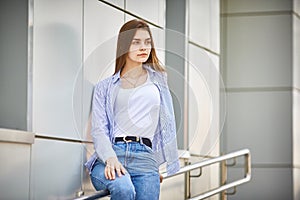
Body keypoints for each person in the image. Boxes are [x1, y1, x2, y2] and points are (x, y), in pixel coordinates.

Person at [85, 19, 180, 200]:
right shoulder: (104, 87)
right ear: (124, 45)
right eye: (136, 42)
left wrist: (155, 166)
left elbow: (165, 124)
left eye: (147, 42)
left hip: (145, 158)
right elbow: (99, 130)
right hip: (112, 154)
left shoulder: (159, 81)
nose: (143, 47)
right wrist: (110, 158)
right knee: (124, 189)